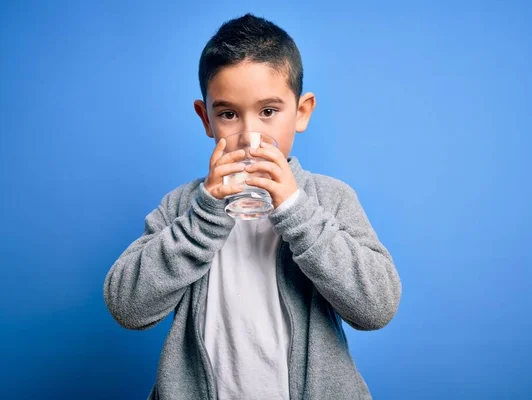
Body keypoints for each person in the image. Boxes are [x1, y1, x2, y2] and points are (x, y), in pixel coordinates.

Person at [104, 13, 401, 400]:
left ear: (302, 111)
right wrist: (203, 215)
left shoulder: (330, 198)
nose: (250, 136)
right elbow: (127, 307)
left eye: (268, 112)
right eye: (228, 114)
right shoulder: (183, 207)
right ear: (205, 118)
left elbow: (377, 307)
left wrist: (297, 210)